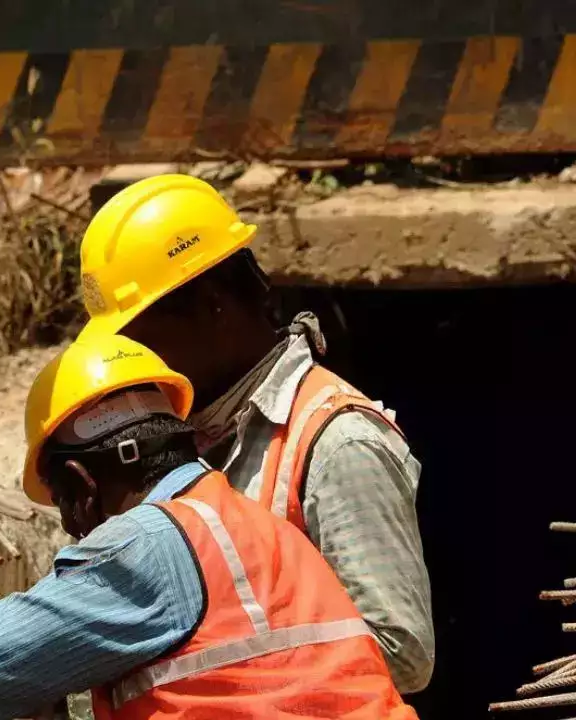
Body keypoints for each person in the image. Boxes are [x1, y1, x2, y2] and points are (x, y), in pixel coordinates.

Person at [0, 335, 418, 720]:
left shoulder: (144, 543)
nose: (73, 529)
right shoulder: (257, 528)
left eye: (61, 501)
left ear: (81, 483)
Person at [75, 173, 434, 692]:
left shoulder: (339, 444)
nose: (132, 361)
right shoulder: (196, 433)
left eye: (140, 336)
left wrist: (207, 653)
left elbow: (402, 653)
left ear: (213, 306)